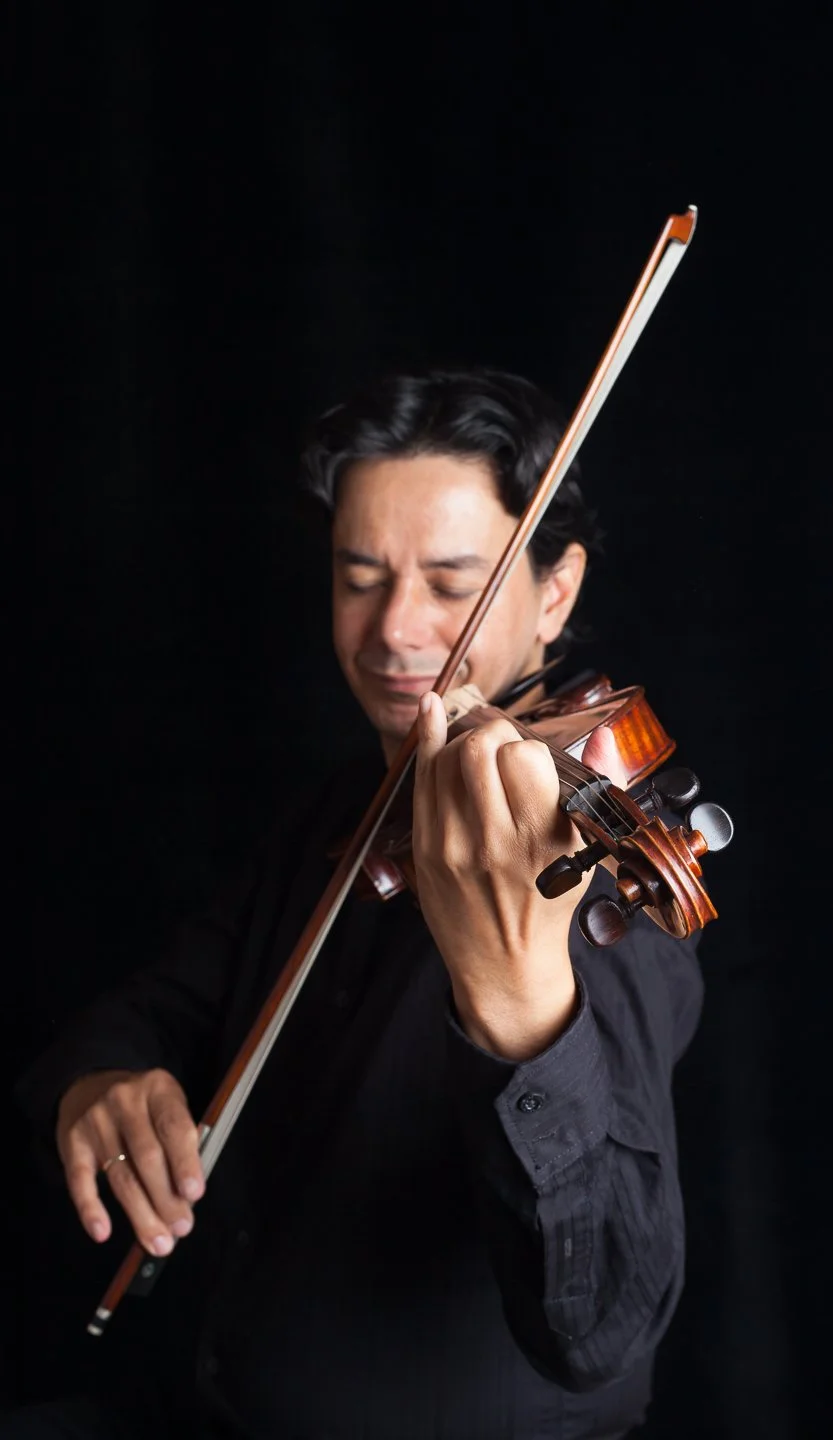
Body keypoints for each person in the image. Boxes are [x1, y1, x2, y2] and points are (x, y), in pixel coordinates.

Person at [8, 366, 705, 1439]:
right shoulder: (341, 812)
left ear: (554, 593)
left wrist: (520, 1006)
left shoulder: (584, 870)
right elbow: (160, 1003)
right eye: (361, 576)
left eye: (452, 582)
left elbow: (603, 1326)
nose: (393, 632)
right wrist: (100, 1081)